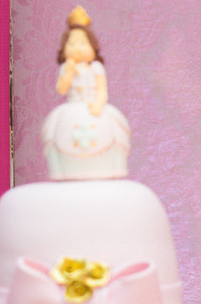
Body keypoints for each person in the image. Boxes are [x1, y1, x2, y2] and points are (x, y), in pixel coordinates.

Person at [41, 6, 130, 179]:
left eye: (82, 43)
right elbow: (62, 89)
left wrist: (98, 104)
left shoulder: (96, 67)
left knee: (118, 127)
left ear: (92, 46)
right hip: (72, 104)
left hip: (92, 104)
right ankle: (61, 169)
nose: (77, 48)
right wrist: (68, 72)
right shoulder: (67, 68)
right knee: (51, 129)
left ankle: (113, 166)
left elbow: (102, 89)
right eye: (72, 44)